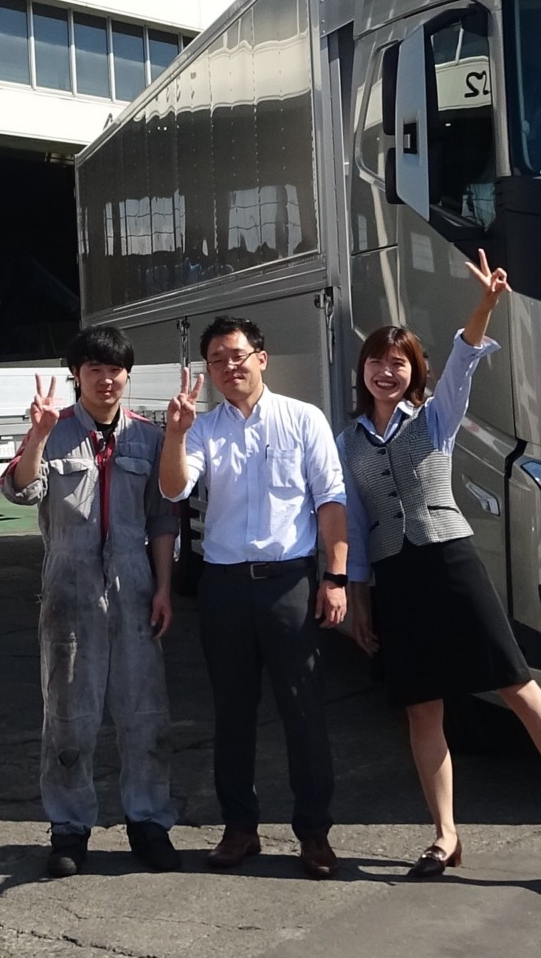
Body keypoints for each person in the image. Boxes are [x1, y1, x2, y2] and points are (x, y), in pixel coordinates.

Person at [340, 251, 541, 875]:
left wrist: (486, 303)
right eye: (377, 362)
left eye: (399, 362)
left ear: (416, 372)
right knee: (422, 706)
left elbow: (465, 357)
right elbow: (354, 523)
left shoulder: (436, 418)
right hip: (396, 575)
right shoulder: (346, 440)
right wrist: (358, 596)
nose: (386, 372)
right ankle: (445, 835)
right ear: (364, 371)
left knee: (516, 684)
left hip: (450, 562)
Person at [158, 315, 351, 879]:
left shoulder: (303, 419)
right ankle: (240, 827)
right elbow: (174, 487)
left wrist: (336, 577)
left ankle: (314, 833)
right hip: (223, 584)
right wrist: (175, 435)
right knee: (232, 712)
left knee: (303, 710)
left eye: (237, 355)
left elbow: (330, 499)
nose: (229, 367)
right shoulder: (203, 428)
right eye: (217, 360)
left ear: (261, 359)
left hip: (289, 583)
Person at [2, 325, 182, 877]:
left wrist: (164, 588)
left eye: (115, 370)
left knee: (144, 714)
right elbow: (20, 489)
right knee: (68, 717)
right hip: (69, 590)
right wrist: (37, 437)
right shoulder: (51, 431)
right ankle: (69, 827)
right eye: (94, 370)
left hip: (135, 589)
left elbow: (162, 518)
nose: (106, 380)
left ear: (127, 376)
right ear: (76, 376)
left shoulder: (148, 438)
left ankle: (148, 823)